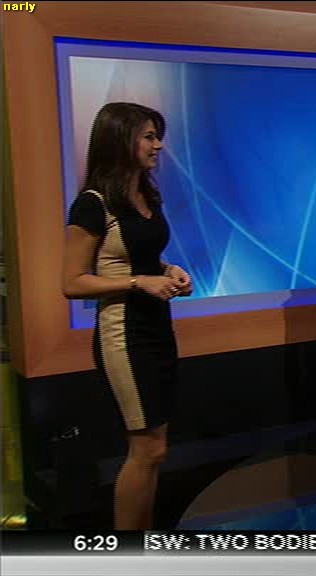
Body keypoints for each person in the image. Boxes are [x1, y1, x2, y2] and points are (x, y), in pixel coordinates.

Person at [62, 102, 191, 529]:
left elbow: (141, 256)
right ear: (121, 140)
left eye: (158, 136)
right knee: (146, 448)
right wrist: (138, 282)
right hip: (124, 335)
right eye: (149, 137)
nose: (158, 145)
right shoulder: (92, 204)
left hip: (157, 328)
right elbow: (72, 282)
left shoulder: (147, 195)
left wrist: (168, 271)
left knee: (157, 448)